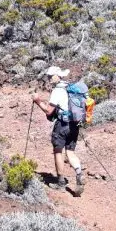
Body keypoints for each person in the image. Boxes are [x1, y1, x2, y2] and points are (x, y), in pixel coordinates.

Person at [32, 66, 85, 194]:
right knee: (70, 152)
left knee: (58, 151)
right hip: (74, 124)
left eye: (50, 76)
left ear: (57, 76)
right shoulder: (70, 87)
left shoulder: (58, 90)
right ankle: (79, 173)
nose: (49, 78)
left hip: (62, 125)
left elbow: (49, 110)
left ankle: (61, 182)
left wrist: (38, 101)